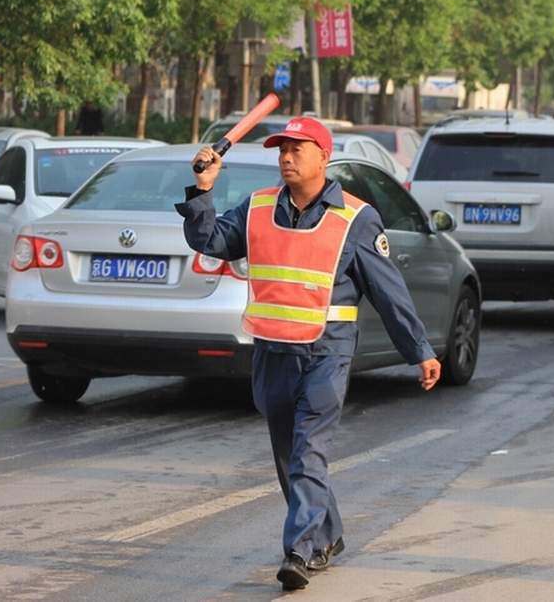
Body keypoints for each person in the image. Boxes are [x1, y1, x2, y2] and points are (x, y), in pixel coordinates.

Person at [174, 116, 441, 591]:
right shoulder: (256, 208)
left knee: (308, 454)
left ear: (323, 156)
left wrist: (419, 350)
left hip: (327, 353)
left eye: (298, 149)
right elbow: (209, 242)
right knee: (289, 457)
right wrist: (202, 191)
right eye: (282, 149)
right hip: (273, 352)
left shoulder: (355, 220)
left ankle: (300, 550)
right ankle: (329, 534)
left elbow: (388, 291)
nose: (287, 157)